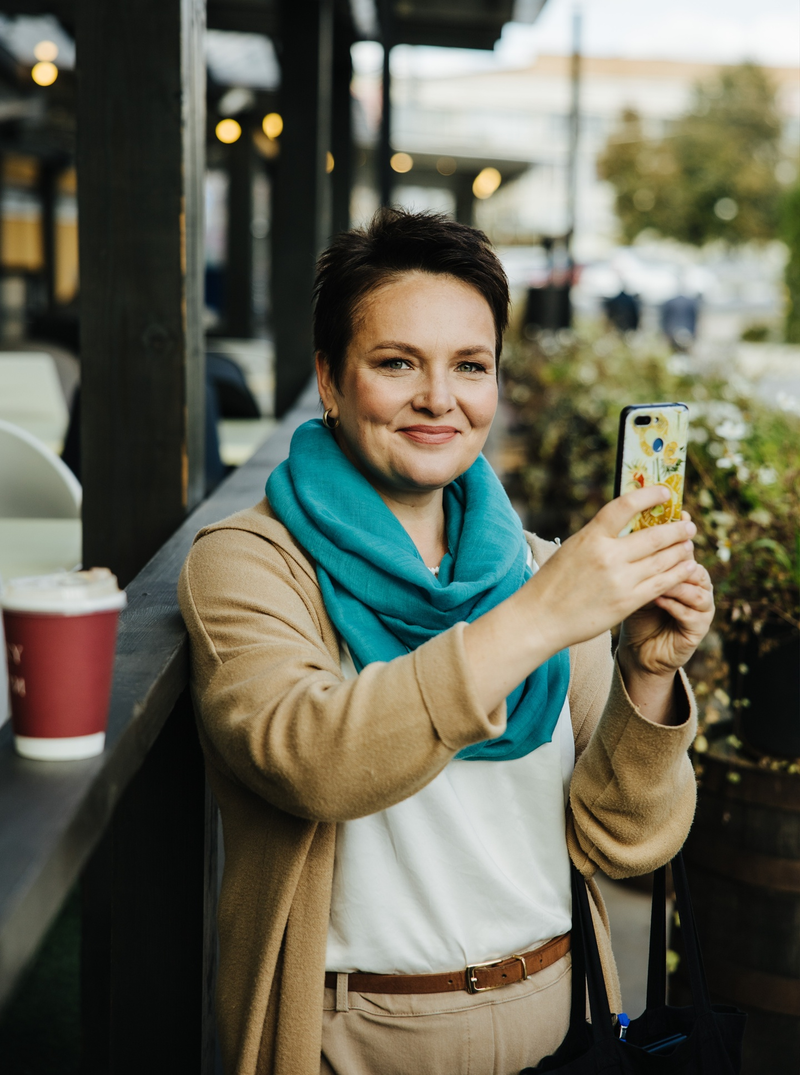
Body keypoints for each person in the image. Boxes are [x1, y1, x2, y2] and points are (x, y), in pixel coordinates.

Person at [178, 209, 713, 1075]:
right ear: (328, 378)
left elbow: (627, 839)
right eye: (397, 363)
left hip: (560, 1017)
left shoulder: (539, 571)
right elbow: (311, 759)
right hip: (347, 1036)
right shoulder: (249, 562)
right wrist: (542, 616)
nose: (441, 398)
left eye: (471, 365)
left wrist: (647, 677)